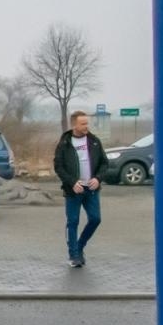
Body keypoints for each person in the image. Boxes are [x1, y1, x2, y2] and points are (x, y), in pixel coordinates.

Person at [53, 110, 107, 268]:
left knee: (95, 219)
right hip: (73, 190)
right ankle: (74, 255)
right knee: (73, 222)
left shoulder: (94, 141)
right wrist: (72, 182)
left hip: (91, 189)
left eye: (87, 123)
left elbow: (104, 163)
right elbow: (58, 166)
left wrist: (98, 178)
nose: (86, 126)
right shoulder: (65, 143)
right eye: (83, 124)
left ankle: (80, 245)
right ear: (74, 125)